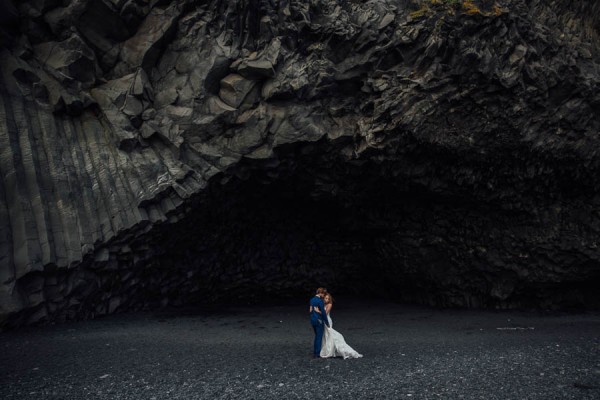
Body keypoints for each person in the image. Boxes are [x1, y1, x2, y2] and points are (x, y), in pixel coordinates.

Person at [318, 293, 363, 359]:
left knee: (330, 334)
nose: (326, 299)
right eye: (325, 298)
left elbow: (325, 313)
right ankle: (328, 350)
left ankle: (334, 350)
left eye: (328, 298)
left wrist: (317, 311)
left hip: (327, 320)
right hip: (323, 321)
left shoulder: (329, 304)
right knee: (325, 335)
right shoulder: (323, 304)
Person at [309, 287, 329, 358]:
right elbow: (323, 312)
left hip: (313, 320)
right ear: (321, 293)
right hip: (319, 320)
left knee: (316, 336)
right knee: (319, 337)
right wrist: (326, 321)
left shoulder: (312, 300)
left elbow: (310, 311)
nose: (324, 296)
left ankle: (315, 352)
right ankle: (317, 353)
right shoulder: (320, 301)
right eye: (324, 294)